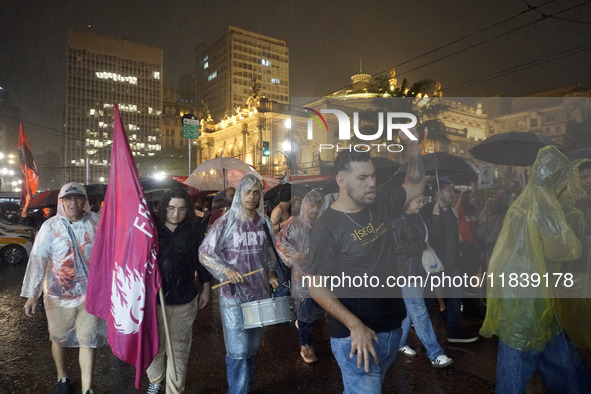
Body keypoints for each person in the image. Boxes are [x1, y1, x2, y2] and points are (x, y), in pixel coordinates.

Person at [307, 130, 425, 393]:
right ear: (341, 180)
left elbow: (416, 186)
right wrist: (355, 326)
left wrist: (414, 149)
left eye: (372, 175)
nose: (371, 182)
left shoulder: (380, 202)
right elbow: (315, 286)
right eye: (362, 178)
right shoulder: (327, 227)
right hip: (355, 338)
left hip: (392, 327)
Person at [480, 146, 591, 393]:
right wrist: (575, 227)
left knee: (559, 356)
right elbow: (560, 249)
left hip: (521, 292)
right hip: (528, 298)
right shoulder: (545, 203)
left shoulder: (526, 198)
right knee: (519, 356)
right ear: (557, 176)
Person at [21, 182, 106, 394]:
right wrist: (32, 295)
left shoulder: (96, 222)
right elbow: (38, 261)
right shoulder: (50, 227)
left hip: (89, 296)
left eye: (78, 198)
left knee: (88, 339)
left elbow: (109, 254)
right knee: (58, 338)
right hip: (59, 297)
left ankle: (89, 388)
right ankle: (63, 377)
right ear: (62, 202)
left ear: (85, 201)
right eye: (68, 199)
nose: (73, 202)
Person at [199, 174, 279, 394]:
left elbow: (269, 254)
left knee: (253, 347)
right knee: (238, 349)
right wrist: (226, 271)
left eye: (256, 192)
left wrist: (271, 274)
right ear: (239, 194)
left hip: (259, 294)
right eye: (247, 192)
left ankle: (247, 386)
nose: (252, 197)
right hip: (233, 295)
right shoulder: (225, 222)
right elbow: (205, 253)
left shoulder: (264, 223)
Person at [146, 188, 213, 394]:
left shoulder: (193, 230)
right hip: (154, 301)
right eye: (171, 208)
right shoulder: (150, 229)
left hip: (184, 299)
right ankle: (156, 380)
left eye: (182, 209)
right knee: (154, 347)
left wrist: (206, 288)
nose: (176, 214)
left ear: (188, 210)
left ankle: (174, 390)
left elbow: (200, 262)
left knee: (179, 349)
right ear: (164, 207)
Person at [391, 194, 453, 368]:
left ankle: (399, 344)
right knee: (419, 313)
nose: (420, 204)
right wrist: (420, 245)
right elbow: (397, 248)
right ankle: (435, 353)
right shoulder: (396, 221)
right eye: (417, 201)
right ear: (406, 202)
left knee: (408, 312)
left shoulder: (418, 218)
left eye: (421, 201)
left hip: (420, 271)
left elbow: (432, 236)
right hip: (406, 274)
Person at [422, 180, 479, 343]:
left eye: (453, 190)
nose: (452, 194)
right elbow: (434, 236)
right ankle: (408, 333)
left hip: (452, 263)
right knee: (426, 300)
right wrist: (436, 214)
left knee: (454, 297)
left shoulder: (452, 210)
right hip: (435, 265)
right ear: (438, 192)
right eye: (449, 190)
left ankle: (454, 331)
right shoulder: (427, 210)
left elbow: (454, 236)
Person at [276, 190, 325, 364]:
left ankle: (307, 330)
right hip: (302, 277)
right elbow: (280, 242)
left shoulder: (323, 224)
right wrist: (295, 256)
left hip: (321, 275)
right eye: (312, 205)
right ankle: (305, 345)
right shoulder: (294, 224)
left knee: (320, 310)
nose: (315, 209)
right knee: (304, 311)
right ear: (305, 205)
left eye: (318, 205)